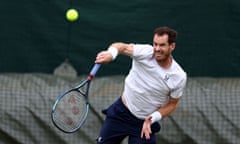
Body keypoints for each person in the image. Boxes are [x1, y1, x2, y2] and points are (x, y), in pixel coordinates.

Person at [95, 26, 187, 144]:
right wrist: (111, 54)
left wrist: (153, 118)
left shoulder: (178, 76)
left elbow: (172, 104)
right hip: (121, 113)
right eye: (155, 44)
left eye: (162, 45)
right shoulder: (145, 52)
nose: (157, 49)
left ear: (172, 46)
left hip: (144, 124)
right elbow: (121, 47)